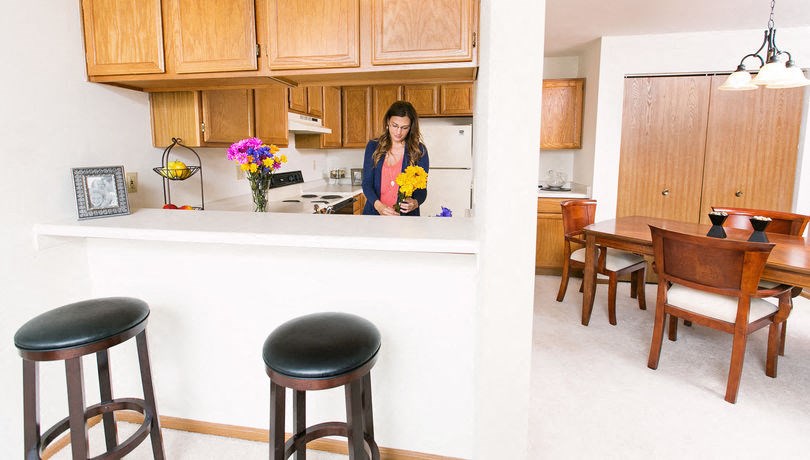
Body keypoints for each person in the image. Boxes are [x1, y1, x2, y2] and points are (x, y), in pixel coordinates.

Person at [362, 101, 429, 216]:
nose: (398, 132)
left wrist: (415, 202)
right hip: (374, 216)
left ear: (411, 127)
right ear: (388, 121)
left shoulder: (419, 151)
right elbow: (367, 184)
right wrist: (379, 207)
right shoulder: (373, 146)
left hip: (406, 220)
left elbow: (422, 190)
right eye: (395, 126)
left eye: (404, 128)